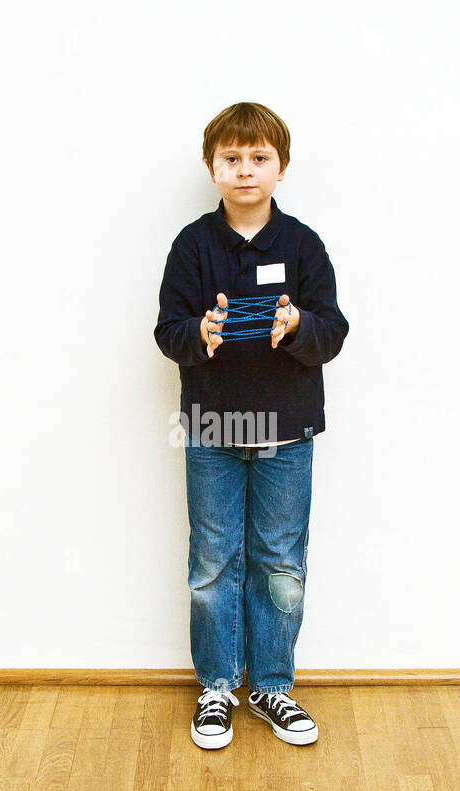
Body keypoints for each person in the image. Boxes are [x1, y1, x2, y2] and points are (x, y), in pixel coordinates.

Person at [153, 102, 349, 750]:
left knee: (279, 565)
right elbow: (167, 332)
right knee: (212, 563)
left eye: (258, 157)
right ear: (212, 167)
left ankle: (270, 686)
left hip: (287, 435)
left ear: (281, 168)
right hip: (211, 432)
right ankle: (216, 687)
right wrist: (197, 334)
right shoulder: (192, 247)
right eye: (232, 158)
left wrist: (297, 328)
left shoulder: (303, 246)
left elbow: (334, 332)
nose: (245, 170)